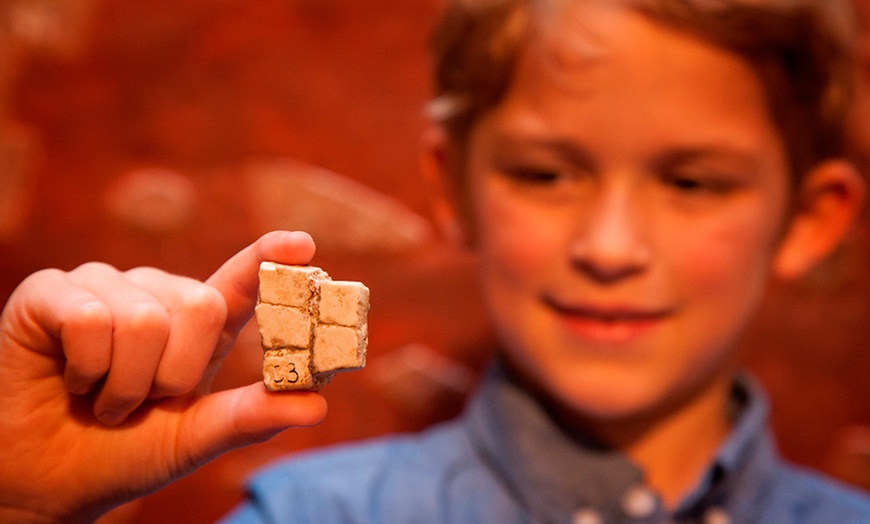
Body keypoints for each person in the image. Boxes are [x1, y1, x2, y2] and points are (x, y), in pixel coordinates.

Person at [2, 0, 870, 522]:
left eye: (691, 182)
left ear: (807, 218)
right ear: (451, 187)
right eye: (545, 173)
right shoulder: (312, 516)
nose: (610, 248)